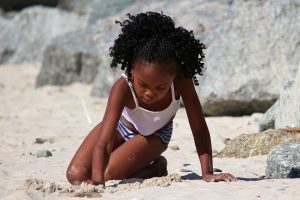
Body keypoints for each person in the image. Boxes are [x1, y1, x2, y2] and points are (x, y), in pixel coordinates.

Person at [66, 11, 236, 186]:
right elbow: (104, 141)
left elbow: (198, 127)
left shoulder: (181, 81)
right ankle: (130, 163)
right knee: (75, 175)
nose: (150, 92)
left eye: (161, 87)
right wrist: (97, 180)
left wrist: (207, 172)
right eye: (144, 84)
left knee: (110, 172)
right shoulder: (122, 88)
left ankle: (157, 167)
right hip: (120, 127)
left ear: (173, 76)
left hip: (155, 135)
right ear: (131, 68)